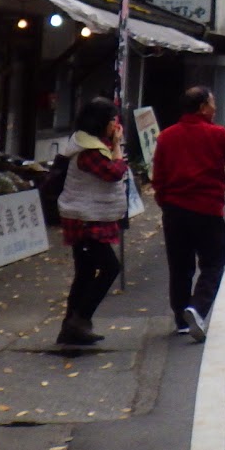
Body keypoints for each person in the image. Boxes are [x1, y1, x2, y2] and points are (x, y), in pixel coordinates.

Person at [152, 86, 225, 343]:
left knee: (180, 267)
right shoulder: (215, 134)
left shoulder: (166, 137)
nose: (215, 108)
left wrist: (164, 202)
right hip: (207, 210)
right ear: (203, 107)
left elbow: (158, 176)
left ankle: (182, 320)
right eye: (212, 103)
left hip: (174, 211)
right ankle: (198, 308)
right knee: (213, 263)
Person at [56, 98, 129, 347]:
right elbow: (114, 172)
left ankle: (70, 328)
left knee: (85, 273)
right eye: (112, 121)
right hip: (85, 218)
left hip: (84, 215)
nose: (115, 126)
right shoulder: (88, 150)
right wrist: (117, 145)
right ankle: (80, 320)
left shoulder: (89, 143)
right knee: (110, 268)